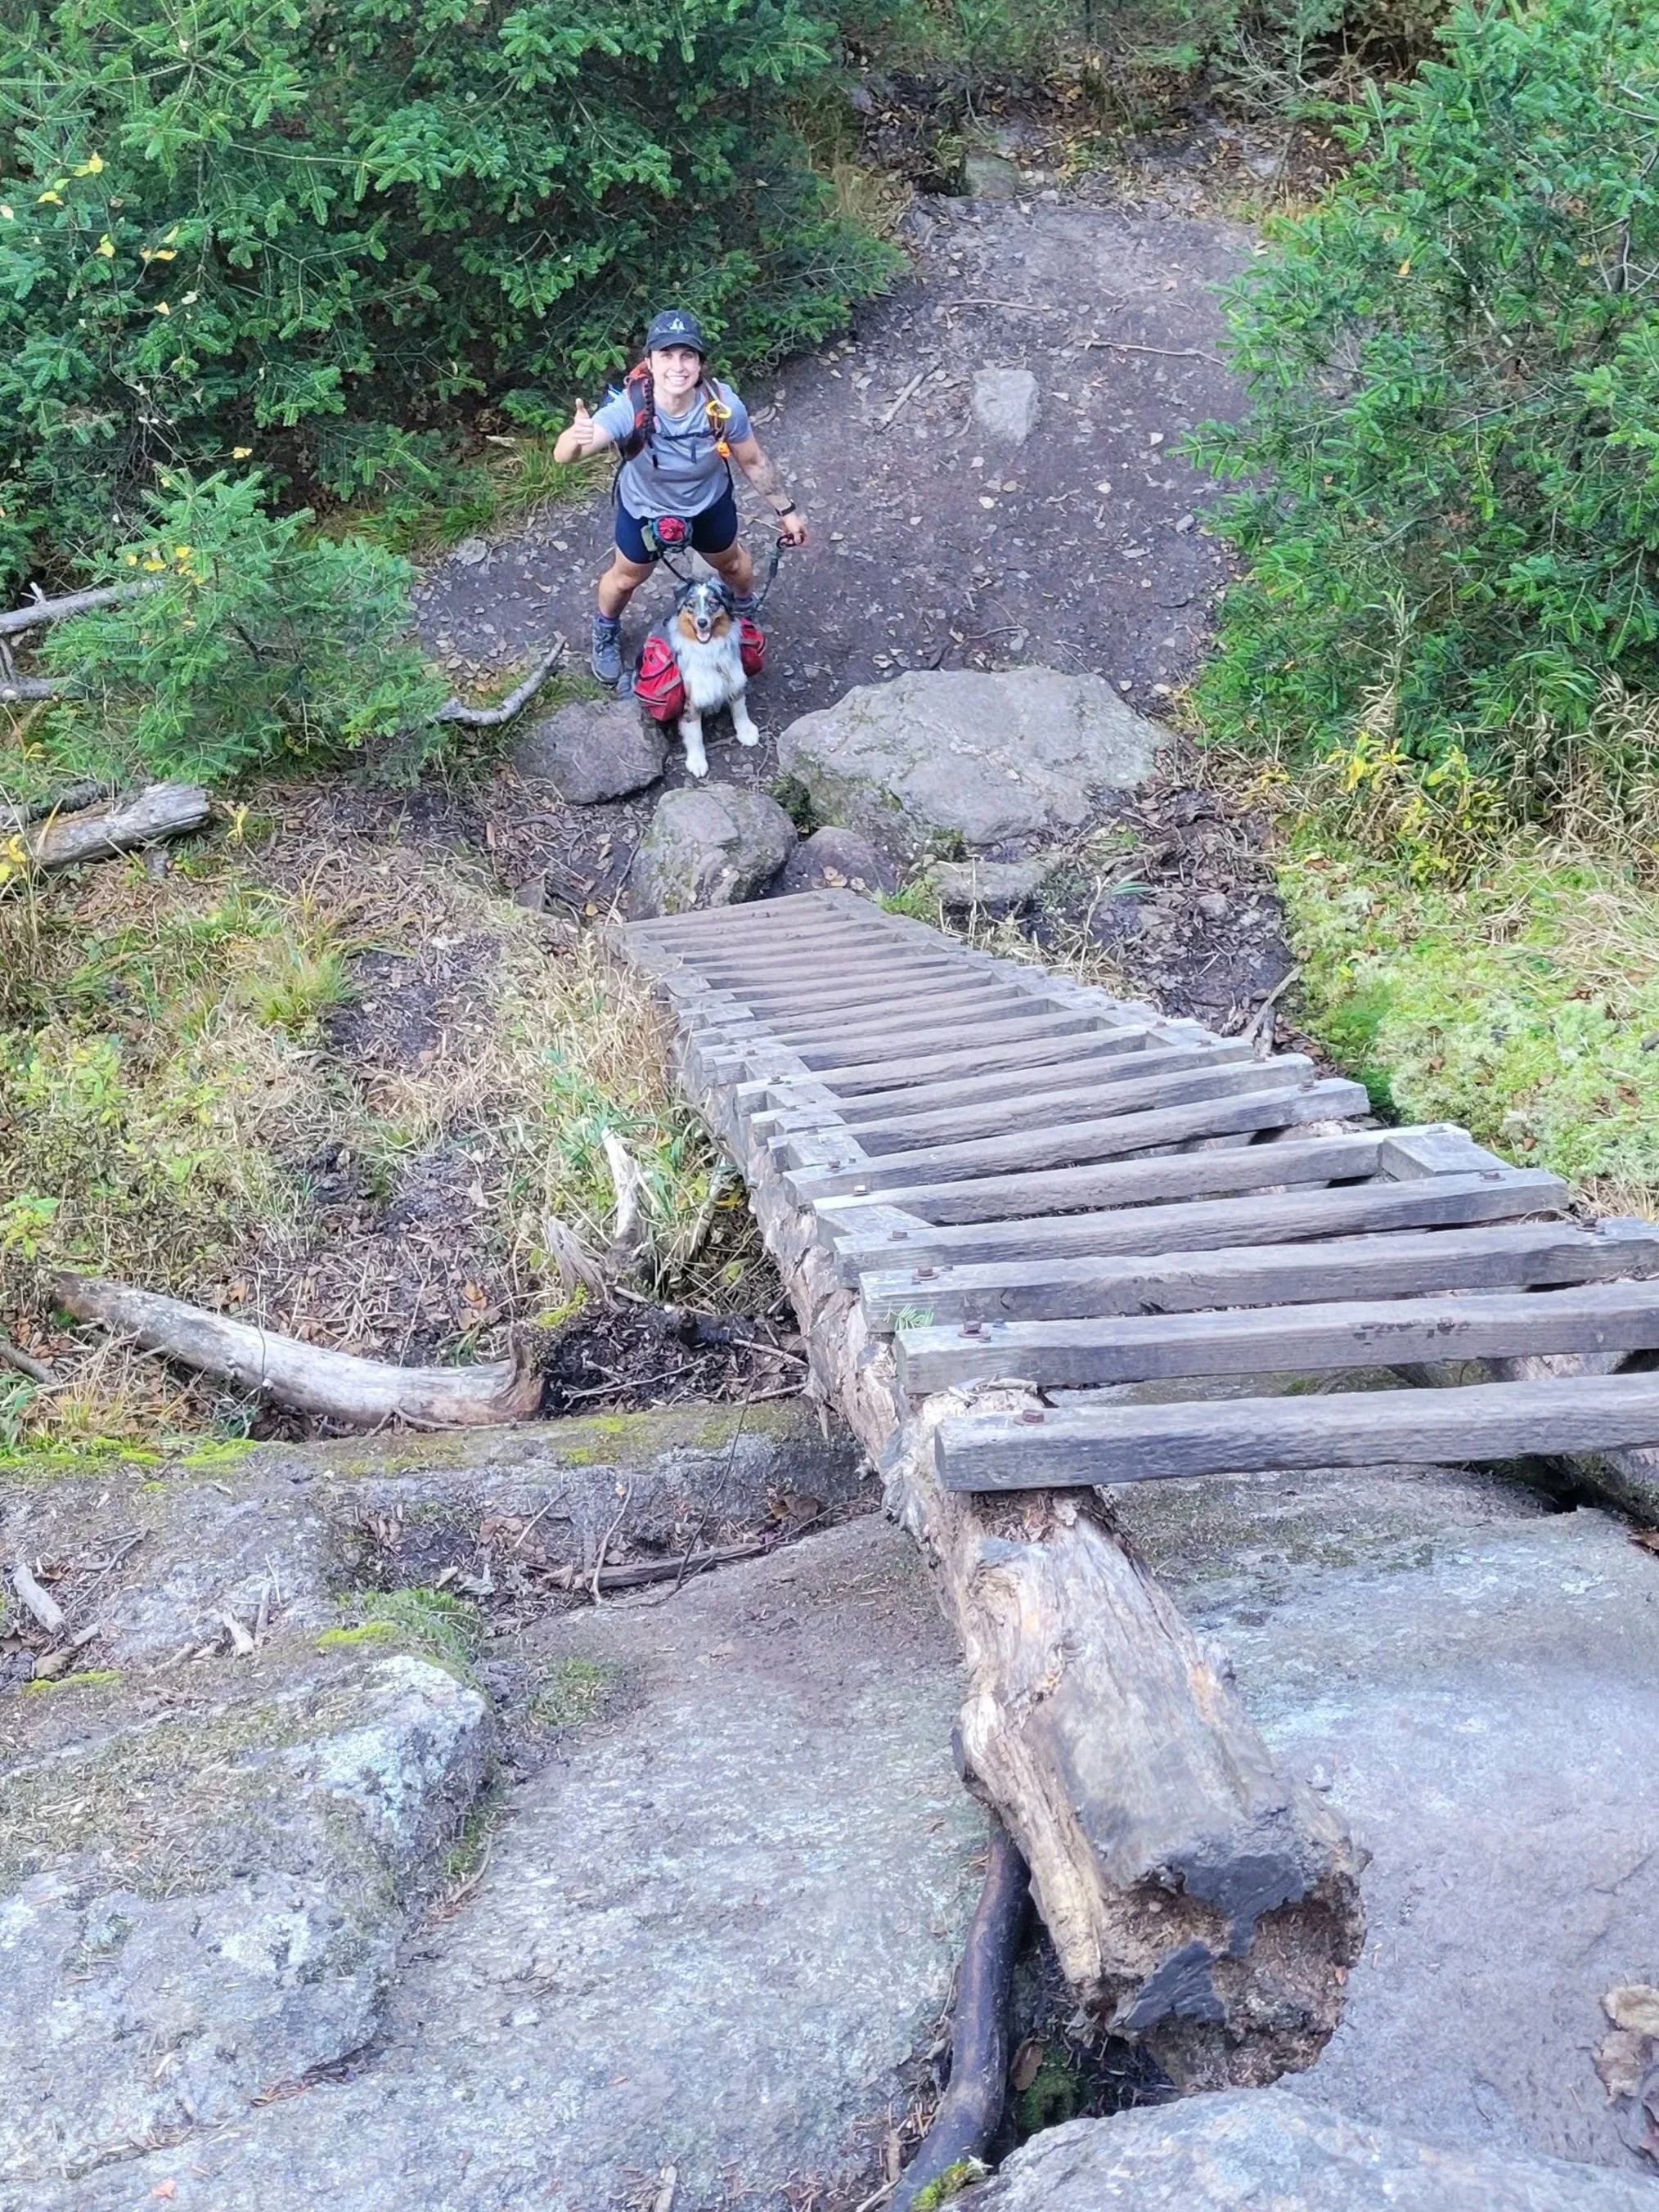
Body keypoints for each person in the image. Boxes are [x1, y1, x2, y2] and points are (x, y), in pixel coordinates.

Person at [553, 308, 808, 684]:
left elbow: (753, 461)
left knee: (733, 566)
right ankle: (605, 629)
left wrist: (786, 511)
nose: (678, 366)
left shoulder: (722, 407)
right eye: (667, 355)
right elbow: (564, 456)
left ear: (700, 363)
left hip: (708, 504)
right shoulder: (630, 408)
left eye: (687, 356)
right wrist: (575, 439)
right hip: (645, 510)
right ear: (649, 362)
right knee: (625, 579)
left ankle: (741, 609)